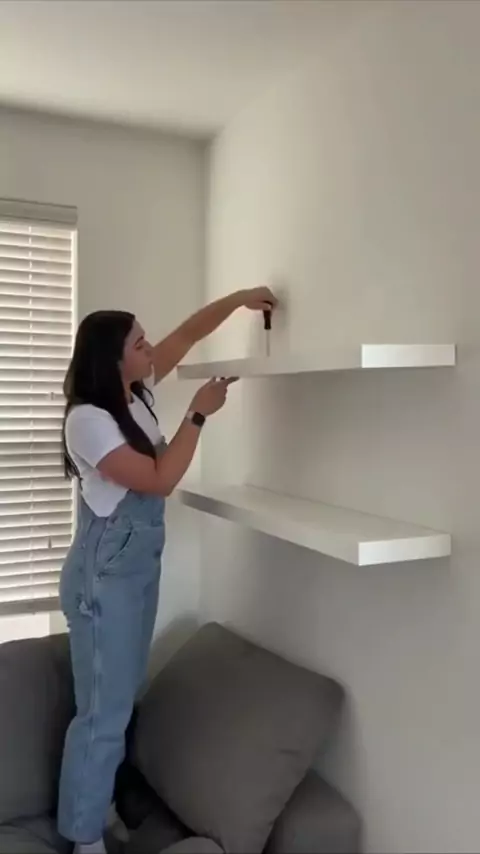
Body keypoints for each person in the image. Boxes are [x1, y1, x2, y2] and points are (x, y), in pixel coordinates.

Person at [57, 286, 276, 854]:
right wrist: (198, 413)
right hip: (104, 575)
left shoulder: (137, 394)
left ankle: (98, 806)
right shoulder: (88, 420)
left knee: (120, 698)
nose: (151, 347)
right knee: (102, 714)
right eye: (139, 343)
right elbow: (158, 480)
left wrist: (242, 299)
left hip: (134, 566)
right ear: (112, 359)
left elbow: (189, 332)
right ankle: (84, 839)